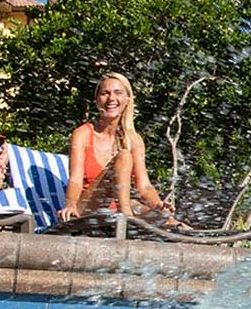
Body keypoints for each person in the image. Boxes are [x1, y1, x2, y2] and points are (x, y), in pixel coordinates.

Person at [58, 72, 173, 222]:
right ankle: (126, 218)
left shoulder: (134, 140)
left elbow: (144, 186)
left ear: (127, 99)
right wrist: (71, 205)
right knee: (124, 156)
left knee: (163, 218)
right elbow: (75, 180)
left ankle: (192, 236)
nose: (111, 99)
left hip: (117, 208)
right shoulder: (83, 134)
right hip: (86, 209)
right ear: (97, 100)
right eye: (105, 93)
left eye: (118, 93)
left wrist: (159, 206)